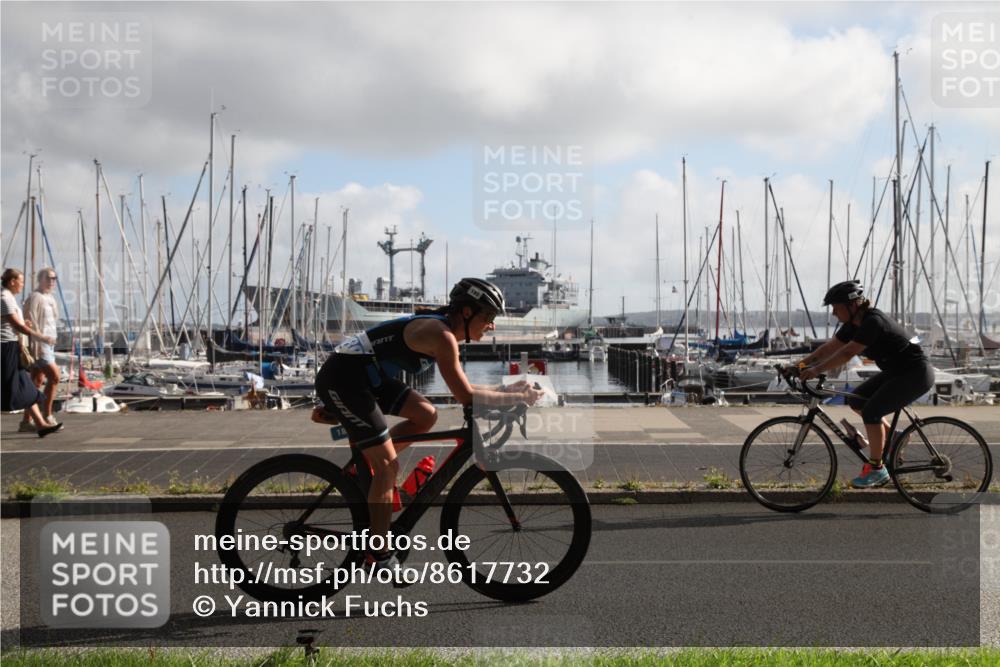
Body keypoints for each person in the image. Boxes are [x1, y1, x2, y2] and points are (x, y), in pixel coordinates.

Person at [313, 278, 543, 577]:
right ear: (467, 312)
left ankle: (366, 470)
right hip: (345, 380)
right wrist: (516, 395)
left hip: (367, 378)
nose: (492, 325)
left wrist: (506, 389)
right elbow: (465, 396)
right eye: (488, 317)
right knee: (387, 468)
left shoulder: (445, 332)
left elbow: (463, 386)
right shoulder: (441, 336)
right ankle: (379, 556)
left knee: (426, 415)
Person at [797, 280, 933, 488]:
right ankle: (893, 437)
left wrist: (815, 370)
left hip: (915, 374)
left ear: (852, 306)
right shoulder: (852, 326)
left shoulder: (873, 322)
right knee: (858, 400)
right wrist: (800, 364)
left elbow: (847, 352)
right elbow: (830, 347)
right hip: (896, 372)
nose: (833, 313)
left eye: (836, 307)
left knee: (871, 412)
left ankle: (877, 469)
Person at [1, 268, 63, 437]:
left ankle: (38, 424)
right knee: (47, 378)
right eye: (20, 281)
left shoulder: (10, 298)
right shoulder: (5, 298)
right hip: (6, 348)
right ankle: (45, 417)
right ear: (12, 281)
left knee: (29, 385)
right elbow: (17, 326)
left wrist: (26, 325)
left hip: (13, 346)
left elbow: (19, 323)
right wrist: (41, 338)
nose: (22, 284)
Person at [21, 268, 62, 428]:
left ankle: (26, 421)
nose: (52, 281)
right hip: (39, 345)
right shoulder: (35, 297)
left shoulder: (50, 298)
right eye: (49, 278)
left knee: (36, 382)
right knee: (55, 377)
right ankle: (48, 415)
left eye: (55, 278)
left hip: (49, 344)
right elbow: (28, 321)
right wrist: (39, 340)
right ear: (41, 279)